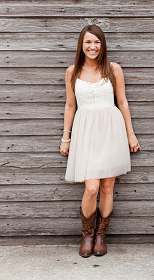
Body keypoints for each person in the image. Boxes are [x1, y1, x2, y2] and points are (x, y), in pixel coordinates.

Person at [60, 25, 140, 258]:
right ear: (81, 45)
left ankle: (100, 236)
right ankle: (86, 234)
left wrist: (130, 133)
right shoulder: (72, 71)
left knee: (107, 187)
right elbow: (70, 105)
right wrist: (66, 137)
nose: (92, 47)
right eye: (88, 42)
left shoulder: (113, 69)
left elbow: (122, 102)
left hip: (111, 130)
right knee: (91, 187)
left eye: (97, 42)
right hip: (85, 132)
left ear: (102, 44)